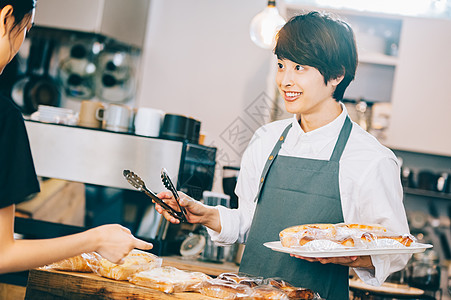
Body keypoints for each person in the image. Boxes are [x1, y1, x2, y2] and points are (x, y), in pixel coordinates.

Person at [154, 11, 410, 300]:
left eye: (299, 68)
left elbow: (396, 252)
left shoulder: (370, 158)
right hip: (250, 295)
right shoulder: (266, 140)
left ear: (337, 74)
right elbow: (251, 223)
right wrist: (205, 215)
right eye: (280, 65)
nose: (285, 80)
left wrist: (344, 256)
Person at [0, 0, 152, 275]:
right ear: (6, 18)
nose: (22, 42)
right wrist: (96, 239)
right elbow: (2, 254)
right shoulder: (4, 116)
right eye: (26, 29)